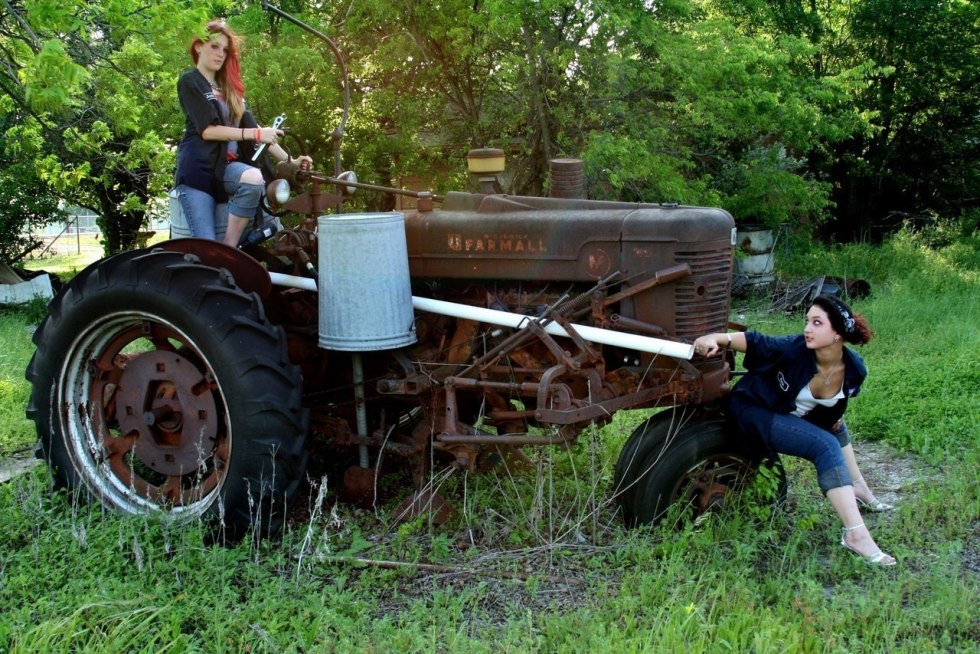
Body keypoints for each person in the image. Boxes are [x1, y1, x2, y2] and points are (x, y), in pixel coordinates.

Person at [693, 295, 897, 566]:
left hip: (787, 411)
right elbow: (757, 341)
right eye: (807, 321)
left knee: (836, 426)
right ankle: (856, 536)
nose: (807, 329)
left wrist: (830, 419)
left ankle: (859, 487)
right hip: (754, 409)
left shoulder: (854, 370)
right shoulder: (795, 349)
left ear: (837, 334)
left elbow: (835, 406)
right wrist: (717, 338)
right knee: (824, 445)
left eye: (816, 323)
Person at [174, 18, 312, 247]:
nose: (220, 54)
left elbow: (258, 132)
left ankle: (230, 249)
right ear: (199, 46)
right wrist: (254, 134)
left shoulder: (229, 90)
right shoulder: (190, 81)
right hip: (198, 173)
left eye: (225, 50)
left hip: (225, 168)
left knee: (254, 178)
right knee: (207, 246)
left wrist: (291, 161)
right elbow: (208, 131)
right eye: (214, 46)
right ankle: (215, 260)